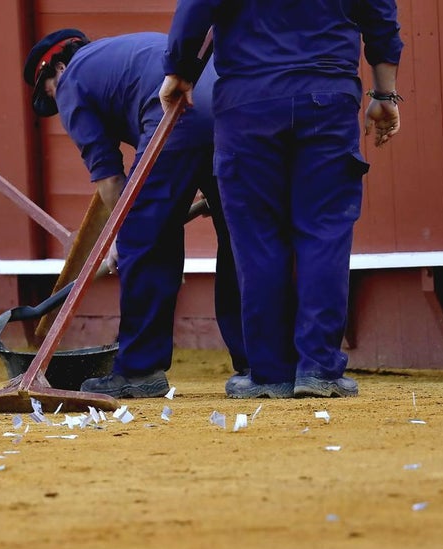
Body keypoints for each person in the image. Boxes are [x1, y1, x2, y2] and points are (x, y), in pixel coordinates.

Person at [161, 0, 403, 399]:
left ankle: (269, 372)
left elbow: (195, 8)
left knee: (257, 239)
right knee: (324, 233)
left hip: (248, 103)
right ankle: (319, 369)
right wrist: (385, 94)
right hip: (326, 99)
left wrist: (179, 71)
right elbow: (380, 18)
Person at [23, 29, 247, 399]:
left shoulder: (71, 81)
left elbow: (110, 179)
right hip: (229, 108)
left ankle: (140, 370)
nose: (56, 103)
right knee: (240, 235)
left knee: (145, 242)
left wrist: (125, 239)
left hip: (174, 113)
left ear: (57, 68)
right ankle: (259, 360)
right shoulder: (121, 54)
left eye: (48, 91)